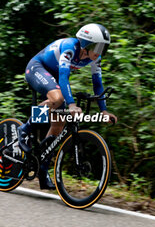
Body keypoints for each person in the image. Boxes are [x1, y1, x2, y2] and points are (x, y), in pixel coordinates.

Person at [17, 23, 118, 189]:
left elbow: (97, 84)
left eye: (103, 48)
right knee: (58, 98)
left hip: (53, 76)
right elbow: (63, 78)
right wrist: (71, 104)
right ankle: (25, 129)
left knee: (59, 122)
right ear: (86, 44)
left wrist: (104, 110)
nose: (100, 52)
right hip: (37, 68)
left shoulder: (94, 58)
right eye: (98, 47)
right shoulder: (70, 47)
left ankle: (43, 168)